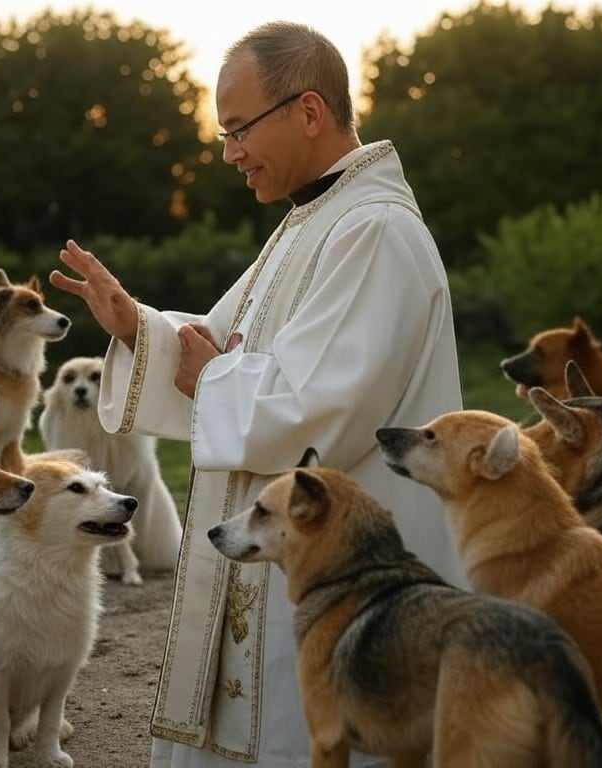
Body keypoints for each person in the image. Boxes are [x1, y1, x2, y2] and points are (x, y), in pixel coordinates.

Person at [49, 20, 466, 768]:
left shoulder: (371, 231)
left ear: (308, 112)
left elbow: (322, 409)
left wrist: (209, 374)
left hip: (339, 582)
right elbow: (216, 340)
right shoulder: (313, 222)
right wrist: (138, 329)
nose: (229, 154)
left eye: (239, 130)